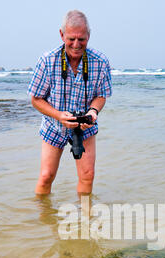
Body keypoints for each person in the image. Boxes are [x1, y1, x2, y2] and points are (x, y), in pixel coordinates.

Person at [28, 10, 112, 195]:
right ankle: (43, 220)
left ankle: (85, 220)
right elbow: (35, 98)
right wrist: (59, 115)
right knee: (46, 176)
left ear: (89, 36)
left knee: (87, 175)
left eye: (81, 39)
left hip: (85, 126)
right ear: (62, 34)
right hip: (54, 125)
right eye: (71, 38)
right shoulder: (47, 61)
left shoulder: (100, 61)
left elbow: (102, 95)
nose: (76, 44)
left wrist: (93, 112)